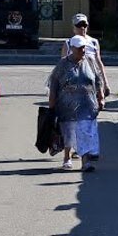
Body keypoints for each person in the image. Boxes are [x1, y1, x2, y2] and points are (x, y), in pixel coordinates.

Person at [48, 34, 105, 172]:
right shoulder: (63, 64)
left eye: (84, 48)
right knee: (69, 131)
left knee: (85, 131)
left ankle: (85, 162)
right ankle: (67, 157)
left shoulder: (90, 61)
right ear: (72, 48)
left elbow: (97, 79)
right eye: (79, 48)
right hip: (67, 105)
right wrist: (52, 103)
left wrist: (101, 96)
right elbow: (54, 83)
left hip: (87, 104)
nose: (82, 50)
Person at [62, 13, 111, 98]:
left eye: (84, 25)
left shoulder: (93, 42)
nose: (82, 28)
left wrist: (105, 83)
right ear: (74, 27)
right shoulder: (68, 43)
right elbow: (63, 65)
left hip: (91, 78)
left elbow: (99, 63)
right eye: (79, 25)